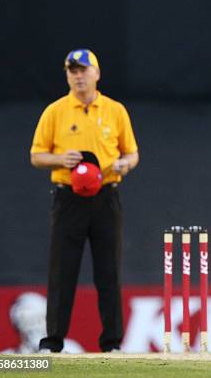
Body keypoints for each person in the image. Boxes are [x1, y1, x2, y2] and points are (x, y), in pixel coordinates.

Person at [30, 49, 139, 353]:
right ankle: (52, 342)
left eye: (83, 70)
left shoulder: (115, 110)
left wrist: (124, 165)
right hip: (69, 199)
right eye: (72, 71)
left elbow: (132, 152)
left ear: (96, 73)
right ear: (67, 76)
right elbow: (36, 155)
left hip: (106, 195)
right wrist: (59, 158)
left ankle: (113, 343)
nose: (78, 76)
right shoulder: (56, 111)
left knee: (109, 271)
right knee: (62, 271)